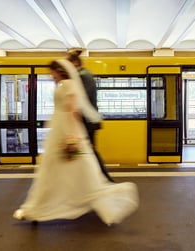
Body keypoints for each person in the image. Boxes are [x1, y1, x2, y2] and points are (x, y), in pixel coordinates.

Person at [13, 59, 138, 225]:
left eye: (52, 72)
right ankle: (37, 207)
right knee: (55, 170)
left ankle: (39, 207)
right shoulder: (63, 85)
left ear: (59, 71)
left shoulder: (69, 85)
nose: (51, 75)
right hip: (58, 131)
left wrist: (73, 136)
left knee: (65, 170)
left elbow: (74, 111)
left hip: (66, 131)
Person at [67, 49, 114, 182]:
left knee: (91, 152)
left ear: (75, 63)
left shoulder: (83, 76)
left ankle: (106, 179)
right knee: (87, 152)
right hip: (87, 122)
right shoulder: (83, 75)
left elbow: (82, 100)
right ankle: (88, 180)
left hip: (87, 123)